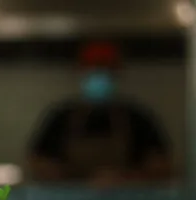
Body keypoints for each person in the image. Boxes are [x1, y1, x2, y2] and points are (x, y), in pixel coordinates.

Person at [28, 42, 172, 186]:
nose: (99, 75)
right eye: (92, 69)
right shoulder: (60, 118)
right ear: (80, 73)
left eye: (105, 69)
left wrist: (125, 178)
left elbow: (161, 166)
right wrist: (77, 180)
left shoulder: (138, 118)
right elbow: (37, 162)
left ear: (117, 74)